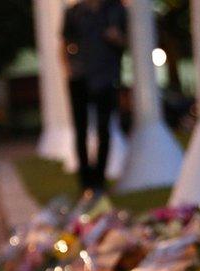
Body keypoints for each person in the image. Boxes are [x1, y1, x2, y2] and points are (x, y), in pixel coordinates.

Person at [62, 0, 127, 191]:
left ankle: (99, 178)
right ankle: (85, 180)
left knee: (103, 129)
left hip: (105, 76)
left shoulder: (116, 9)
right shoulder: (74, 12)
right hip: (79, 77)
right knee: (80, 129)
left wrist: (117, 38)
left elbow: (127, 41)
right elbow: (65, 42)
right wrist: (69, 70)